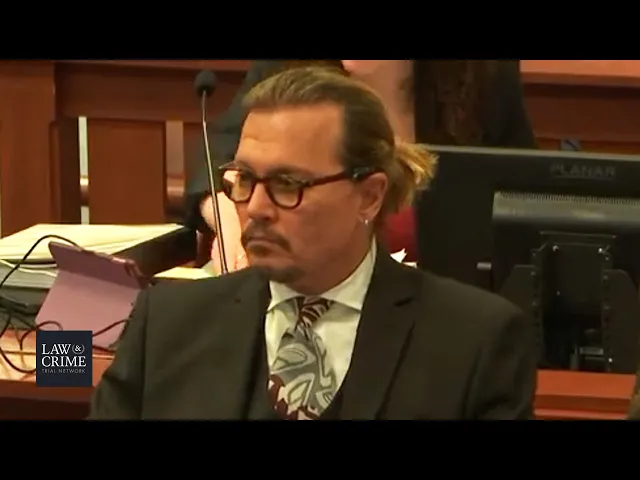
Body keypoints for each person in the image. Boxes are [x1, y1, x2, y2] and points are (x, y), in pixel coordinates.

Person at [89, 66, 537, 420]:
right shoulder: (166, 323)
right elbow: (56, 365)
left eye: (288, 184)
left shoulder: (475, 342)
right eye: (244, 180)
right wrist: (60, 357)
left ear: (369, 195)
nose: (257, 207)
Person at [185, 60, 536, 270]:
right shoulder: (288, 66)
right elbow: (217, 159)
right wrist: (229, 222)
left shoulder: (483, 73)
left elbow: (526, 193)